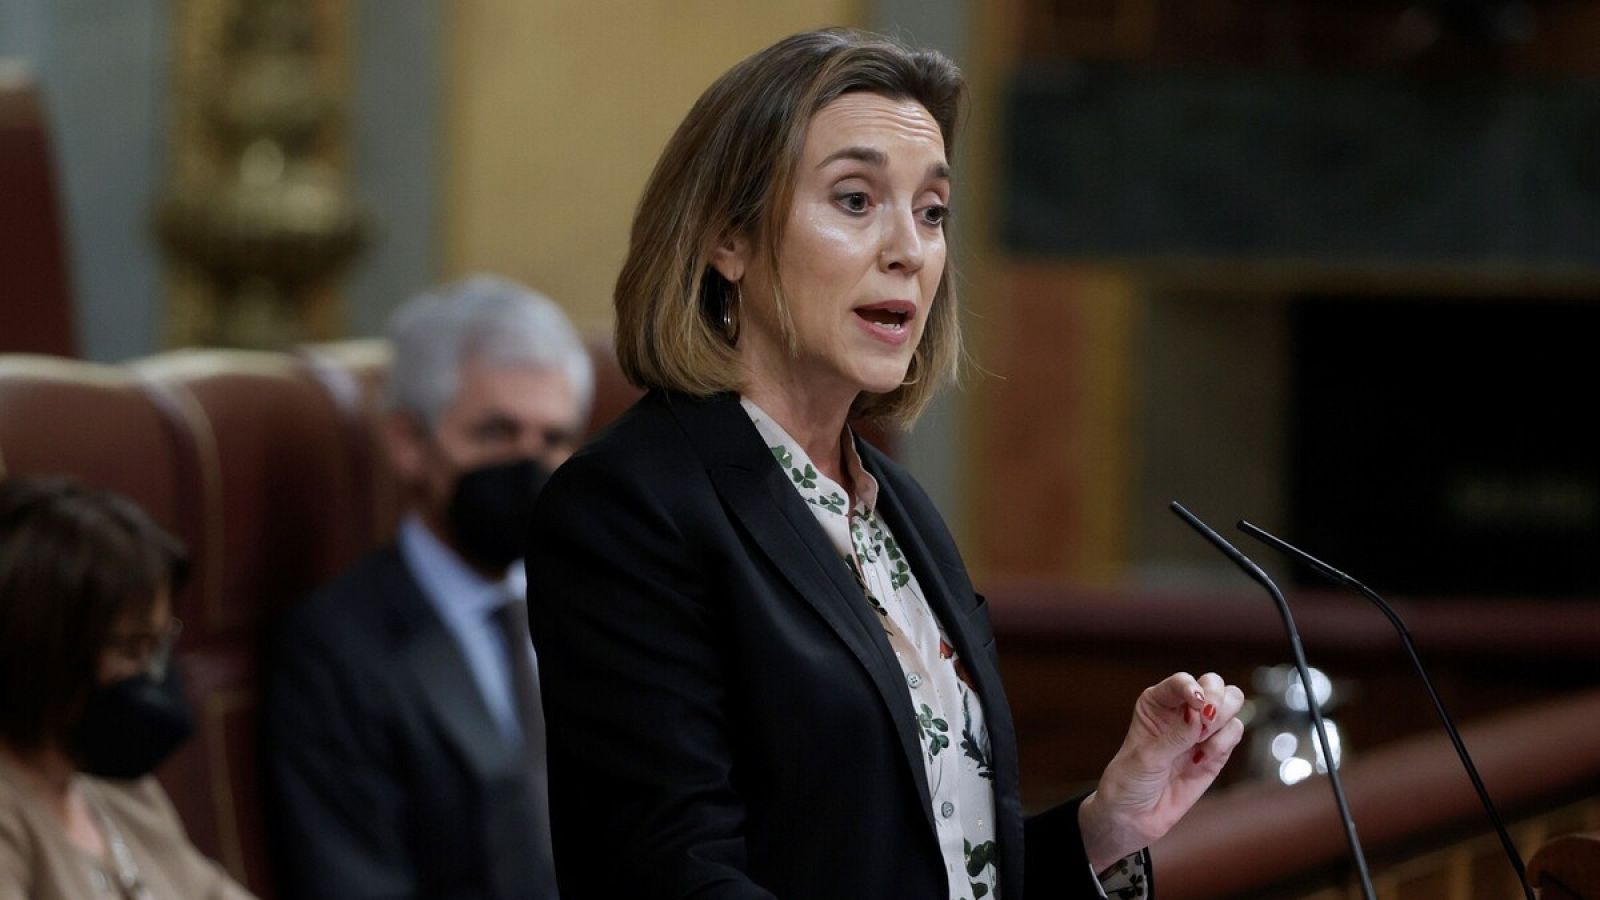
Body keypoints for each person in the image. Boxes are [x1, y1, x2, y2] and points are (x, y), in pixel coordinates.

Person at [527, 28, 1246, 900]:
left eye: (932, 210)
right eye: (856, 199)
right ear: (727, 238)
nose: (909, 247)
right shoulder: (629, 506)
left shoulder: (895, 503)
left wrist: (1107, 828)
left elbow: (932, 861)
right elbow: (669, 875)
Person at [263, 275, 592, 900]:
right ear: (409, 443)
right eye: (497, 433)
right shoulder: (337, 649)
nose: (530, 464)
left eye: (553, 439)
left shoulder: (606, 605)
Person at [0, 475, 255, 899]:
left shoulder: (120, 788)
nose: (154, 673)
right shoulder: (12, 819)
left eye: (161, 643)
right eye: (135, 648)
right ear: (45, 650)